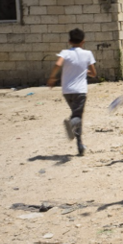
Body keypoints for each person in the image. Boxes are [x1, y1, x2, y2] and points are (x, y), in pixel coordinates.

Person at [47, 28, 96, 156]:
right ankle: (71, 125)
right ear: (83, 41)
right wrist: (85, 72)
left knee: (76, 115)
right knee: (77, 117)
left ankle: (80, 145)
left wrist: (52, 78)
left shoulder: (65, 53)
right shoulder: (88, 54)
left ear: (69, 41)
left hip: (67, 91)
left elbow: (58, 64)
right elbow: (94, 73)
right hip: (80, 91)